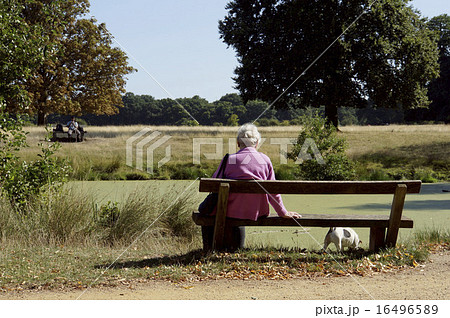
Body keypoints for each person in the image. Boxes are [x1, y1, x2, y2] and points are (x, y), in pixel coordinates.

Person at [202, 123, 301, 250]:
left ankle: (211, 249)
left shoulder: (230, 159)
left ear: (238, 143)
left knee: (209, 212)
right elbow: (273, 190)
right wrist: (283, 212)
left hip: (230, 211)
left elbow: (214, 184)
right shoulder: (265, 160)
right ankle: (236, 247)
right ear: (257, 142)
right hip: (258, 212)